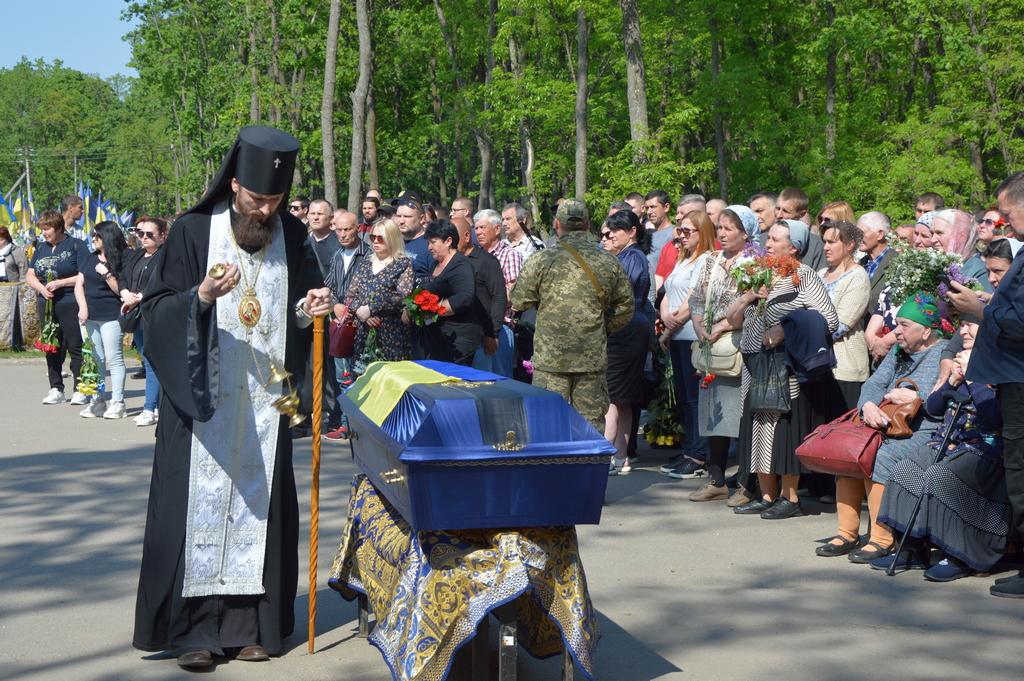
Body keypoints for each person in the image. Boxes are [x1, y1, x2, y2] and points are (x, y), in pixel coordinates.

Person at [132, 126, 331, 669]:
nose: (263, 211)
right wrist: (199, 296)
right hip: (201, 404)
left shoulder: (292, 234)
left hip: (266, 406)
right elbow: (154, 313)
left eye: (274, 201)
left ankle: (252, 627)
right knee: (192, 511)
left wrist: (313, 308)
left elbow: (300, 314)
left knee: (259, 510)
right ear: (235, 184)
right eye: (255, 199)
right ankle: (193, 631)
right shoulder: (194, 231)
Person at [877, 318, 1008, 580]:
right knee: (905, 468)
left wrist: (973, 379)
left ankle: (959, 554)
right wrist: (952, 382)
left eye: (971, 325)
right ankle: (912, 547)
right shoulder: (961, 359)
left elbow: (996, 417)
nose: (963, 331)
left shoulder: (1002, 363)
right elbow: (934, 408)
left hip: (987, 446)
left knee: (942, 476)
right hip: (948, 440)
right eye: (962, 325)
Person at [728, 219, 838, 520]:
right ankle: (766, 494)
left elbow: (828, 319)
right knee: (758, 427)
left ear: (794, 247)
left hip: (785, 366)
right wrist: (749, 296)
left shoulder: (804, 276)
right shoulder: (757, 274)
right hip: (755, 363)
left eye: (776, 239)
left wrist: (786, 330)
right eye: (768, 238)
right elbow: (732, 317)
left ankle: (790, 498)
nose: (768, 243)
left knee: (783, 430)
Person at [510, 199, 633, 432]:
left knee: (547, 424)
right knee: (590, 426)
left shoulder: (541, 259)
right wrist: (601, 327)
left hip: (551, 359)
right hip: (591, 358)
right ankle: (589, 469)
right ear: (587, 224)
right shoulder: (607, 260)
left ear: (557, 224)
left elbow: (519, 301)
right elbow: (625, 306)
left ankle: (554, 468)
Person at [845, 292, 947, 564]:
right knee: (852, 451)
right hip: (889, 422)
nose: (896, 332)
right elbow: (874, 384)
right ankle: (847, 531)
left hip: (927, 428)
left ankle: (882, 537)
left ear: (926, 331)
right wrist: (867, 405)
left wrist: (917, 397)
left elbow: (944, 395)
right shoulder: (898, 351)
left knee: (883, 455)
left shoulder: (942, 352)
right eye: (897, 324)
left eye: (904, 325)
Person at [967, 171, 1024, 598]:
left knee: (1020, 468)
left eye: (1006, 213)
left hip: (1019, 376)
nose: (1002, 223)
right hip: (1011, 376)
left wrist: (982, 310)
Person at [687, 206, 760, 503]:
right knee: (713, 414)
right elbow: (696, 299)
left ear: (746, 233)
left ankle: (747, 483)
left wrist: (719, 327)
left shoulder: (755, 261)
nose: (722, 233)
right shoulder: (710, 260)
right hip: (711, 346)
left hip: (739, 344)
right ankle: (716, 479)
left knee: (741, 415)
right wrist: (700, 325)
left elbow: (750, 307)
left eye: (730, 228)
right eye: (720, 228)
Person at [814, 222, 875, 557]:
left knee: (848, 447)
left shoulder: (858, 277)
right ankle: (843, 524)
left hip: (846, 366)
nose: (827, 247)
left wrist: (807, 327)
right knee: (830, 442)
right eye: (824, 241)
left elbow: (841, 321)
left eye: (834, 242)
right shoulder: (821, 273)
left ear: (851, 245)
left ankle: (860, 527)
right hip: (819, 365)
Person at [660, 210, 715, 479]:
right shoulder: (684, 259)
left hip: (692, 335)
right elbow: (668, 292)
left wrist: (669, 326)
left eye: (687, 231)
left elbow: (693, 299)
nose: (680, 236)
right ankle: (689, 449)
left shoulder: (705, 260)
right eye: (679, 231)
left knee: (696, 399)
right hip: (678, 335)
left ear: (702, 233)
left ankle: (699, 455)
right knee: (684, 397)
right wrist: (666, 323)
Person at [601, 210, 652, 475]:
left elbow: (621, 291)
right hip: (627, 328)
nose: (608, 236)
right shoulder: (624, 256)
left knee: (612, 395)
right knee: (621, 399)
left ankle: (604, 456)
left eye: (614, 231)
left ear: (632, 231)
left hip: (626, 329)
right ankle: (620, 457)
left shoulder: (632, 257)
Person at [25, 210, 90, 405]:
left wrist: (61, 283)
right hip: (46, 301)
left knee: (75, 344)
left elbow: (84, 274)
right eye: (42, 229)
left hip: (70, 300)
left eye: (48, 228)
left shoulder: (75, 245)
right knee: (52, 345)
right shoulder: (41, 248)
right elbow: (30, 274)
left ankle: (80, 388)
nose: (44, 233)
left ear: (59, 227)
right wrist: (41, 288)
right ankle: (56, 388)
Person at [323, 210, 371, 440]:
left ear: (358, 228)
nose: (342, 234)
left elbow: (374, 289)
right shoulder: (336, 255)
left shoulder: (369, 255)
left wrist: (351, 309)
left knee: (361, 374)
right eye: (339, 230)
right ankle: (345, 424)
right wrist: (334, 305)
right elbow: (329, 287)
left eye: (347, 229)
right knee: (343, 376)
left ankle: (361, 426)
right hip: (340, 325)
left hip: (363, 325)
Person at [74, 221, 130, 419]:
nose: (94, 239)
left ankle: (118, 402)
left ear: (107, 237)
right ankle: (98, 400)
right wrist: (82, 307)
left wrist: (105, 273)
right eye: (93, 236)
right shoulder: (89, 258)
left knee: (113, 358)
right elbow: (79, 284)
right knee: (95, 359)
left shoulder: (122, 258)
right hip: (89, 315)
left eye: (97, 236)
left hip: (111, 314)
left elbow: (120, 290)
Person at [344, 218, 414, 366]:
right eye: (372, 237)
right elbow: (350, 295)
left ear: (391, 239)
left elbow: (403, 296)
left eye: (380, 238)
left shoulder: (403, 264)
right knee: (362, 376)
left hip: (390, 332)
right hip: (363, 331)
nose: (375, 241)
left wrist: (371, 309)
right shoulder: (365, 263)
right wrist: (361, 312)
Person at [119, 216, 168, 426]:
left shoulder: (165, 255)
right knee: (146, 358)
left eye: (149, 234)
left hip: (155, 313)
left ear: (163, 236)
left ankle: (150, 408)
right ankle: (154, 406)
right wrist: (124, 293)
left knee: (152, 361)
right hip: (135, 313)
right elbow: (123, 276)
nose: (144, 238)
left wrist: (139, 296)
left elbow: (164, 281)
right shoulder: (137, 255)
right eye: (140, 234)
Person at [411, 219, 481, 365]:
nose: (429, 247)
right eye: (428, 243)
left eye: (433, 242)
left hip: (457, 342)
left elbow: (465, 297)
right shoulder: (436, 264)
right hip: (436, 339)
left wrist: (434, 310)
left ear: (448, 241)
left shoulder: (461, 265)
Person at [473, 209, 522, 375]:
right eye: (476, 228)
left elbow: (512, 293)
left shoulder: (510, 255)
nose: (478, 232)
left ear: (497, 229)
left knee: (500, 384)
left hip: (500, 329)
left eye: (482, 227)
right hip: (476, 328)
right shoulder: (475, 256)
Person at [455, 216, 507, 374]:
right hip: (459, 336)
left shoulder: (487, 261)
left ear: (466, 236)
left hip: (483, 337)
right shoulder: (451, 261)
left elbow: (499, 297)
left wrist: (493, 333)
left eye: (454, 236)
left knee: (483, 383)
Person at [856, 211, 894, 325]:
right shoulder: (861, 264)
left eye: (861, 232)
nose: (857, 237)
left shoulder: (896, 262)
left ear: (880, 234)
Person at [394, 197, 431, 280]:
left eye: (407, 216)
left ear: (422, 219)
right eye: (399, 216)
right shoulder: (392, 242)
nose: (401, 221)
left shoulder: (430, 244)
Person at [964, 207, 1002, 288]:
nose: (981, 225)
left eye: (989, 222)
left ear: (1002, 226)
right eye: (981, 221)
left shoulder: (1011, 257)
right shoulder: (975, 257)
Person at [306, 199, 339, 276]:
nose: (315, 217)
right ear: (307, 216)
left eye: (320, 214)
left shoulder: (340, 243)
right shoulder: (301, 243)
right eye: (312, 213)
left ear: (331, 218)